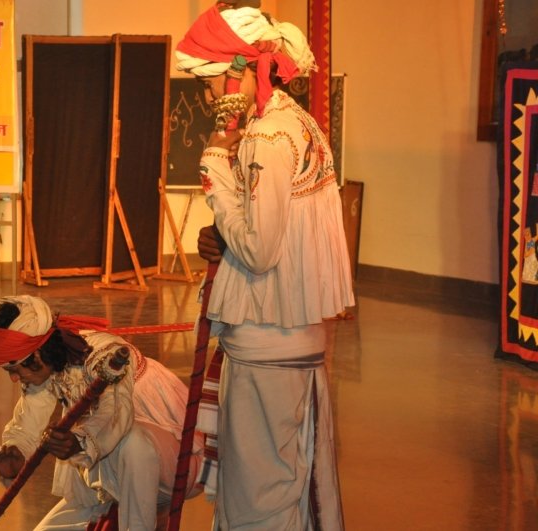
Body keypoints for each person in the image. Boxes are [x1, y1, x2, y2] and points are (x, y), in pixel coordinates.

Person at [175, 2, 355, 530]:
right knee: (284, 477)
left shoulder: (265, 136)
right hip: (291, 338)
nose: (207, 96)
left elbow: (258, 250)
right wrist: (223, 237)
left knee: (258, 492)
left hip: (266, 342)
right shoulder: (295, 121)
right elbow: (273, 231)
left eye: (208, 80)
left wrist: (214, 164)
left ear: (238, 70)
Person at [0, 295, 203, 531]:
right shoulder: (46, 367)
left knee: (132, 441)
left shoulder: (105, 353)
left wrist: (79, 442)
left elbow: (116, 412)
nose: (14, 378)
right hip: (111, 482)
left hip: (174, 468)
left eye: (13, 370)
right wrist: (17, 452)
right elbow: (28, 418)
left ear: (36, 355)